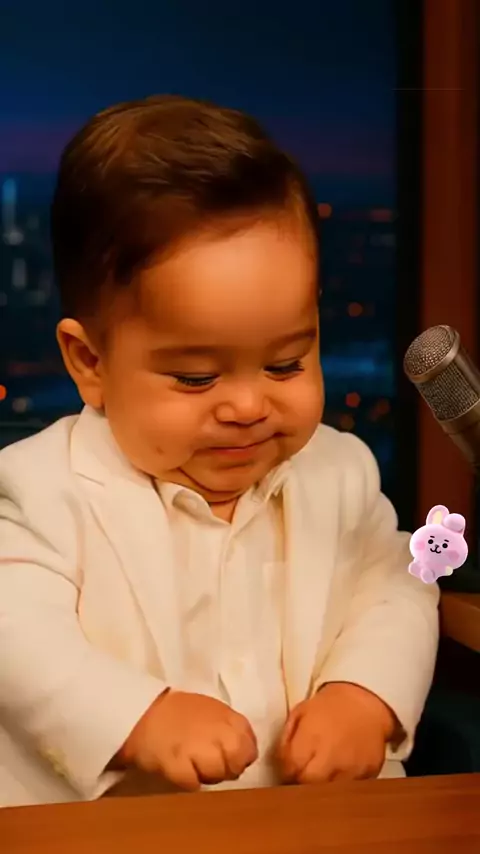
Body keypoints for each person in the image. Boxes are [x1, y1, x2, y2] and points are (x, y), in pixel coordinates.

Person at [0, 96, 438, 807]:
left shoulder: (342, 474)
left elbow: (397, 586)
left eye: (286, 364)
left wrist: (366, 696)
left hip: (318, 824)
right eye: (196, 377)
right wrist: (136, 716)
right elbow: (14, 633)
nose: (247, 406)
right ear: (90, 363)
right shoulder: (41, 491)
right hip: (109, 835)